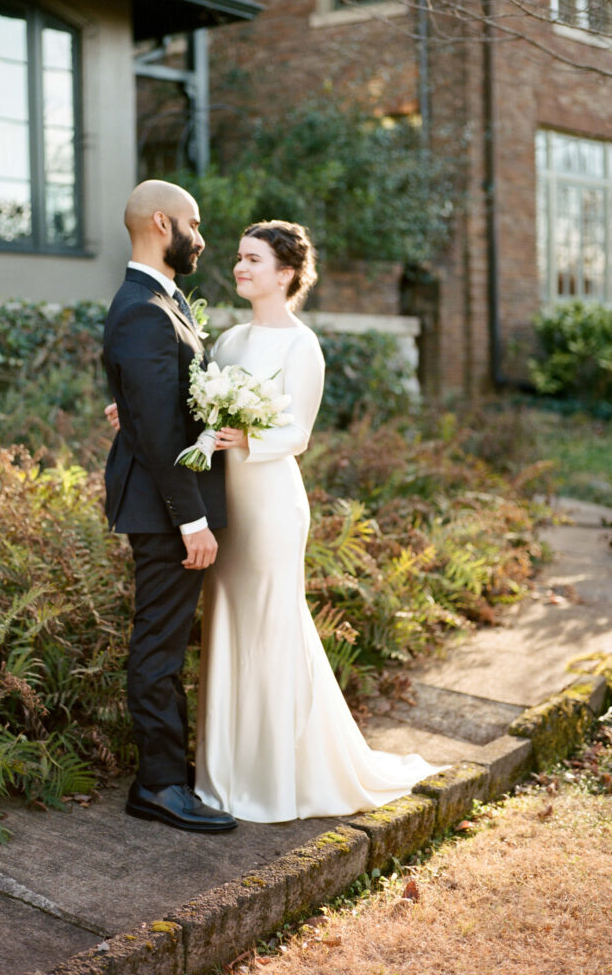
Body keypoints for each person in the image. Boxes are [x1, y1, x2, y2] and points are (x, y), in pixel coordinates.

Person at [107, 216, 440, 825]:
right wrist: (129, 408)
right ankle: (225, 770)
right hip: (220, 503)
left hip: (270, 502)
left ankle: (277, 775)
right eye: (239, 257)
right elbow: (179, 405)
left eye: (254, 260)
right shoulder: (227, 340)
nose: (240, 267)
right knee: (228, 629)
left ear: (286, 274)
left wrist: (245, 438)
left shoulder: (300, 344)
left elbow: (300, 434)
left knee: (270, 627)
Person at [102, 179, 236, 834]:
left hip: (166, 503)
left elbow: (154, 405)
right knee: (158, 649)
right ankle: (157, 785)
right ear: (162, 222)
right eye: (193, 223)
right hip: (164, 512)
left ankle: (167, 773)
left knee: (165, 645)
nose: (201, 237)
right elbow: (157, 432)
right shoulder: (142, 308)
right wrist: (191, 519)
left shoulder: (162, 300)